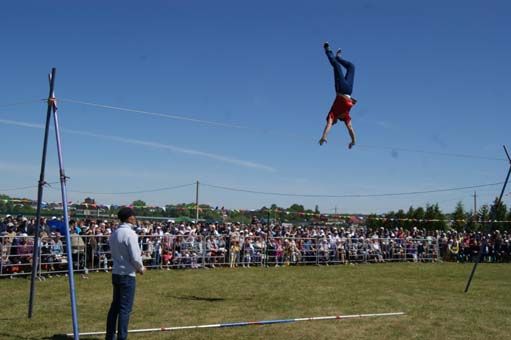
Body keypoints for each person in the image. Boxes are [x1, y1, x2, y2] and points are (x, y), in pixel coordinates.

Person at [106, 207, 145, 340]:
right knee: (124, 309)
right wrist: (140, 268)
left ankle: (110, 336)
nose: (135, 218)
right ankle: (122, 337)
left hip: (116, 272)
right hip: (127, 274)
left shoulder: (115, 233)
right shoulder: (130, 234)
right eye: (133, 216)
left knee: (115, 307)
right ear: (129, 218)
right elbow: (135, 256)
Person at [319, 42, 357, 149]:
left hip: (340, 89)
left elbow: (328, 125)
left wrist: (324, 137)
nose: (332, 121)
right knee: (351, 67)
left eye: (332, 121)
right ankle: (338, 57)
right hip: (349, 90)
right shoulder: (345, 117)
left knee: (336, 66)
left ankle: (328, 50)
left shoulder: (332, 114)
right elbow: (350, 129)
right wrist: (353, 141)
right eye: (334, 121)